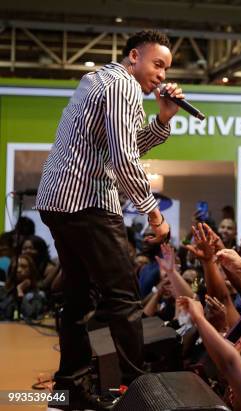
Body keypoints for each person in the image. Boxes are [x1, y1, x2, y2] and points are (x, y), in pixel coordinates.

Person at [35, 29, 184, 406]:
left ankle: (69, 388)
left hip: (59, 200)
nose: (163, 75)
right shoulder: (124, 86)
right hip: (88, 201)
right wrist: (154, 215)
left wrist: (163, 119)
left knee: (79, 297)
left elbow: (123, 144)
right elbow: (124, 159)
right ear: (134, 56)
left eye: (167, 68)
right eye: (158, 64)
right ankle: (140, 392)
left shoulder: (98, 79)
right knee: (123, 299)